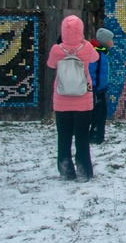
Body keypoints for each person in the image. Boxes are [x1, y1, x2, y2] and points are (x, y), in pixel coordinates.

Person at [46, 14, 100, 180]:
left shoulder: (57, 49)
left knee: (64, 137)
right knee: (82, 138)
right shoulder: (86, 48)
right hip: (83, 100)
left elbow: (50, 64)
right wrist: (83, 42)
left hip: (62, 101)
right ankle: (84, 171)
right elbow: (95, 58)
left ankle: (66, 170)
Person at [87, 28, 114, 144]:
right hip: (95, 89)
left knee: (102, 112)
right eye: (110, 39)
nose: (112, 42)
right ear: (104, 41)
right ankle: (94, 135)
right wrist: (93, 87)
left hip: (100, 89)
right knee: (97, 113)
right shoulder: (95, 53)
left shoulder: (102, 53)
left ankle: (98, 135)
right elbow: (91, 71)